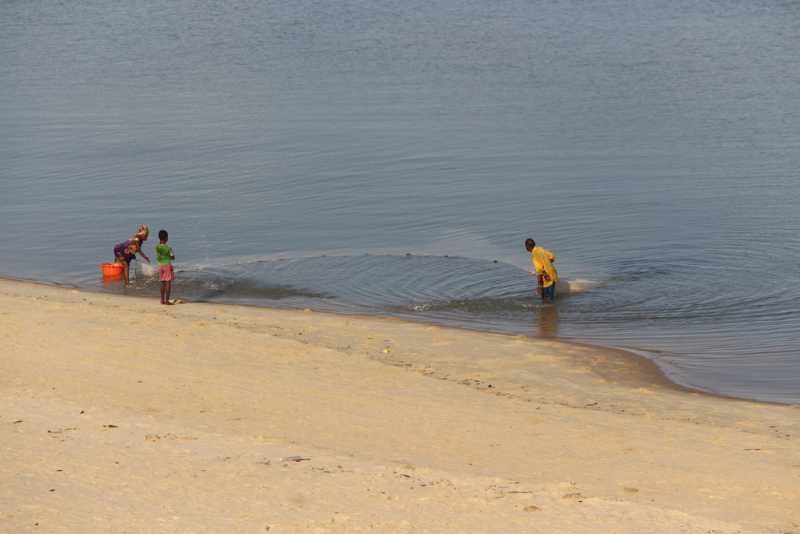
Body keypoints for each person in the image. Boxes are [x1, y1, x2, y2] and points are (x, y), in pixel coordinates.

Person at [525, 238, 558, 302]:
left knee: (546, 300)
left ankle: (550, 311)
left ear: (527, 247)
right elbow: (552, 256)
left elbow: (539, 270)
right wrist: (547, 263)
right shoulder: (541, 249)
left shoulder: (534, 256)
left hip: (546, 279)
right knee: (551, 297)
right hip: (553, 274)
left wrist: (539, 286)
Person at [155, 229, 176, 305]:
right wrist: (171, 253)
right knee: (168, 282)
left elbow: (159, 255)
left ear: (159, 238)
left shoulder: (157, 247)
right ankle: (167, 301)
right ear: (166, 238)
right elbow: (173, 257)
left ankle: (162, 300)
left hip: (160, 265)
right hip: (167, 265)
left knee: (162, 282)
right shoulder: (168, 248)